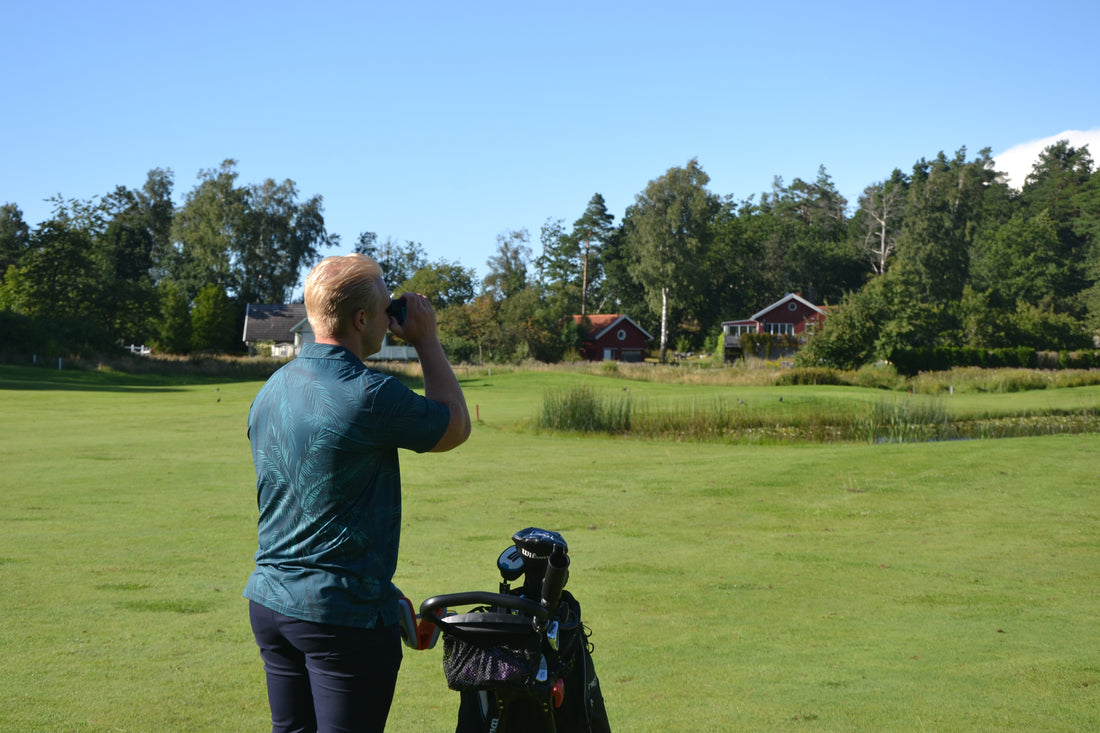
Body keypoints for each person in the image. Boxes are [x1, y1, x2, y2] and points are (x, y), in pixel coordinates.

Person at [244, 253, 471, 733]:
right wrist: (427, 340)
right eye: (385, 310)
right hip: (339, 618)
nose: (391, 321)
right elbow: (454, 426)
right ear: (361, 319)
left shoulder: (272, 388)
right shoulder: (370, 393)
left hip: (270, 602)